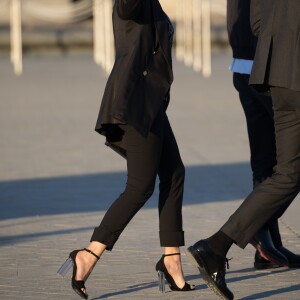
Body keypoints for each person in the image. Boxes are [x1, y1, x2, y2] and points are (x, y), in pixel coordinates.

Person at [57, 1, 195, 298]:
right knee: (140, 187)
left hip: (151, 106)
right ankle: (88, 254)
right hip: (133, 104)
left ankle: (171, 259)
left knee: (174, 172)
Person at [187, 1, 300, 299]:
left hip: (273, 74)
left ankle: (215, 247)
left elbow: (256, 20)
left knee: (285, 173)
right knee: (284, 171)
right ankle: (251, 241)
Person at [227, 0, 300, 270]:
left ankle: (268, 246)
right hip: (273, 68)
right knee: (288, 166)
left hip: (249, 67)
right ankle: (258, 227)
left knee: (265, 159)